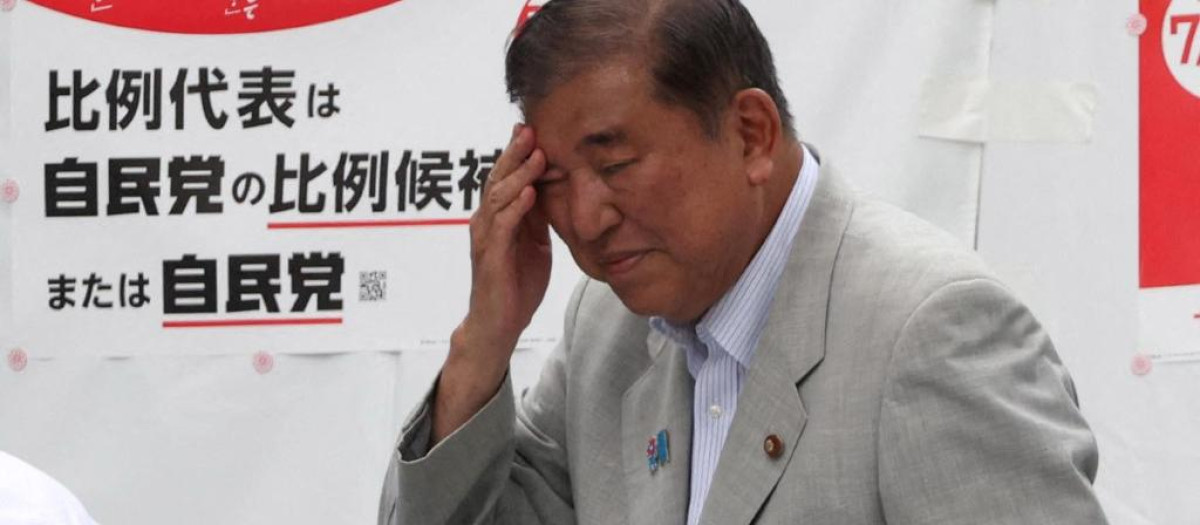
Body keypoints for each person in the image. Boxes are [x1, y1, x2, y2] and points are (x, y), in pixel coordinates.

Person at [380, 0, 1108, 523]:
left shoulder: (928, 326)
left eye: (617, 163)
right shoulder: (607, 326)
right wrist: (484, 341)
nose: (584, 218)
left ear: (752, 133)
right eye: (554, 180)